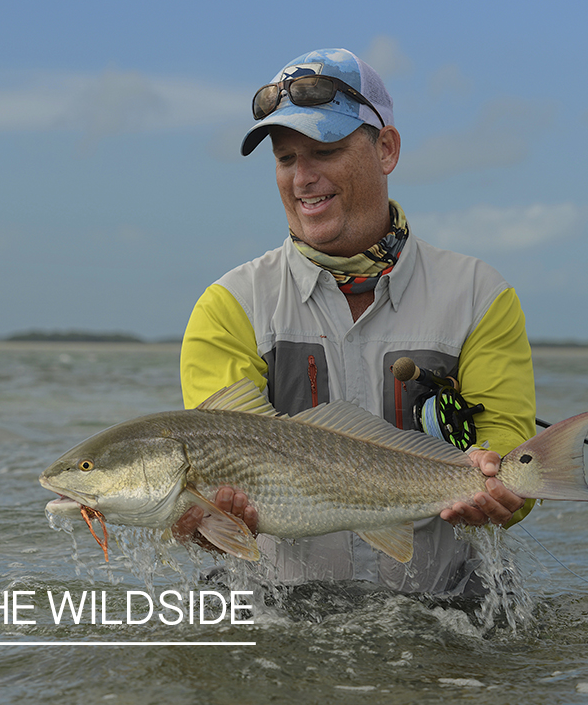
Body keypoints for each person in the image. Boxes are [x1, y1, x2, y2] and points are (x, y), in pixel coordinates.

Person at [176, 48, 536, 595]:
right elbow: (211, 460)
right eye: (286, 158)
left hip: (444, 616)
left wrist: (505, 483)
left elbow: (513, 457)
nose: (303, 178)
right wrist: (203, 519)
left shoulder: (480, 295)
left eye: (325, 150)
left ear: (386, 148)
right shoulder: (229, 305)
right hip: (285, 618)